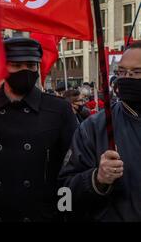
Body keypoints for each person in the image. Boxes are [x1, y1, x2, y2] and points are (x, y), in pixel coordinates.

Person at [0, 37, 78, 222]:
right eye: (16, 65)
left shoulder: (59, 110)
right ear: (2, 67)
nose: (25, 71)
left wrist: (66, 214)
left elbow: (70, 170)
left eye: (31, 65)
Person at [59, 41, 141, 221]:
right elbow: (63, 196)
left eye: (136, 72)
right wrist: (96, 179)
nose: (126, 77)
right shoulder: (94, 128)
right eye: (121, 72)